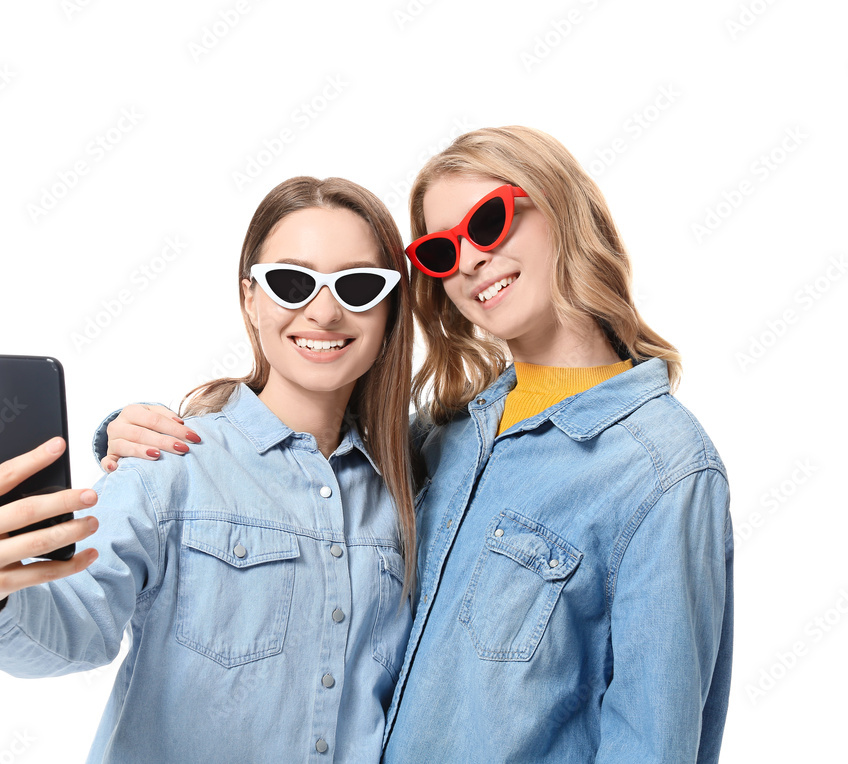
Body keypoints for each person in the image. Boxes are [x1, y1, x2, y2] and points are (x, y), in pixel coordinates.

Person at [100, 126, 734, 762]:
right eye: (440, 250)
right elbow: (296, 461)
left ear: (564, 209)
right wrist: (128, 432)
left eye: (488, 223)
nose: (470, 261)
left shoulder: (663, 468)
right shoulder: (446, 437)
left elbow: (658, 740)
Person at [0, 176, 417, 763]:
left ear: (390, 306)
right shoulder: (167, 466)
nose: (326, 310)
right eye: (292, 282)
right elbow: (71, 628)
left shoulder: (412, 489)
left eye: (359, 285)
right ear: (250, 300)